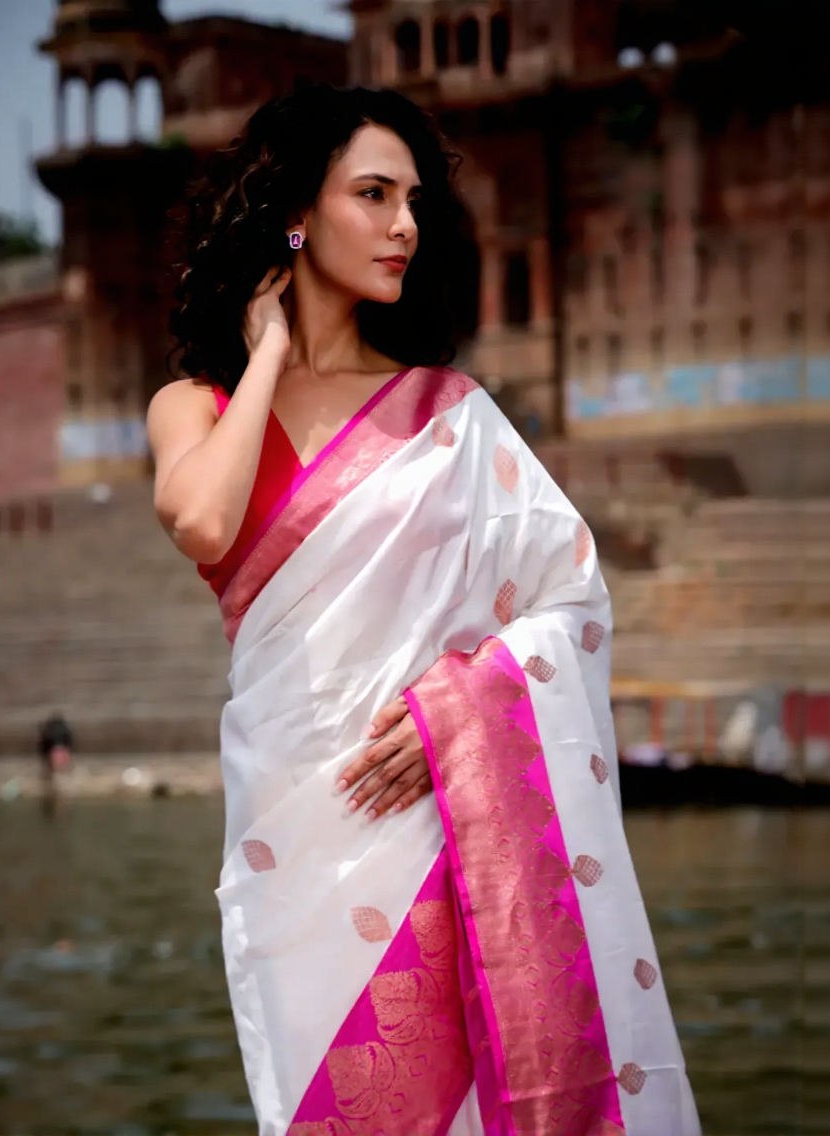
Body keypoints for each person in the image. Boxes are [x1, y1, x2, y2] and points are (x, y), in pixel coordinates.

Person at [148, 85, 701, 1136]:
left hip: (437, 816)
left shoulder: (450, 414)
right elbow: (208, 523)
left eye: (413, 198)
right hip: (295, 839)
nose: (405, 223)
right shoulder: (198, 404)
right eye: (372, 193)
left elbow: (571, 595)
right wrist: (266, 347)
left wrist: (465, 707)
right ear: (294, 212)